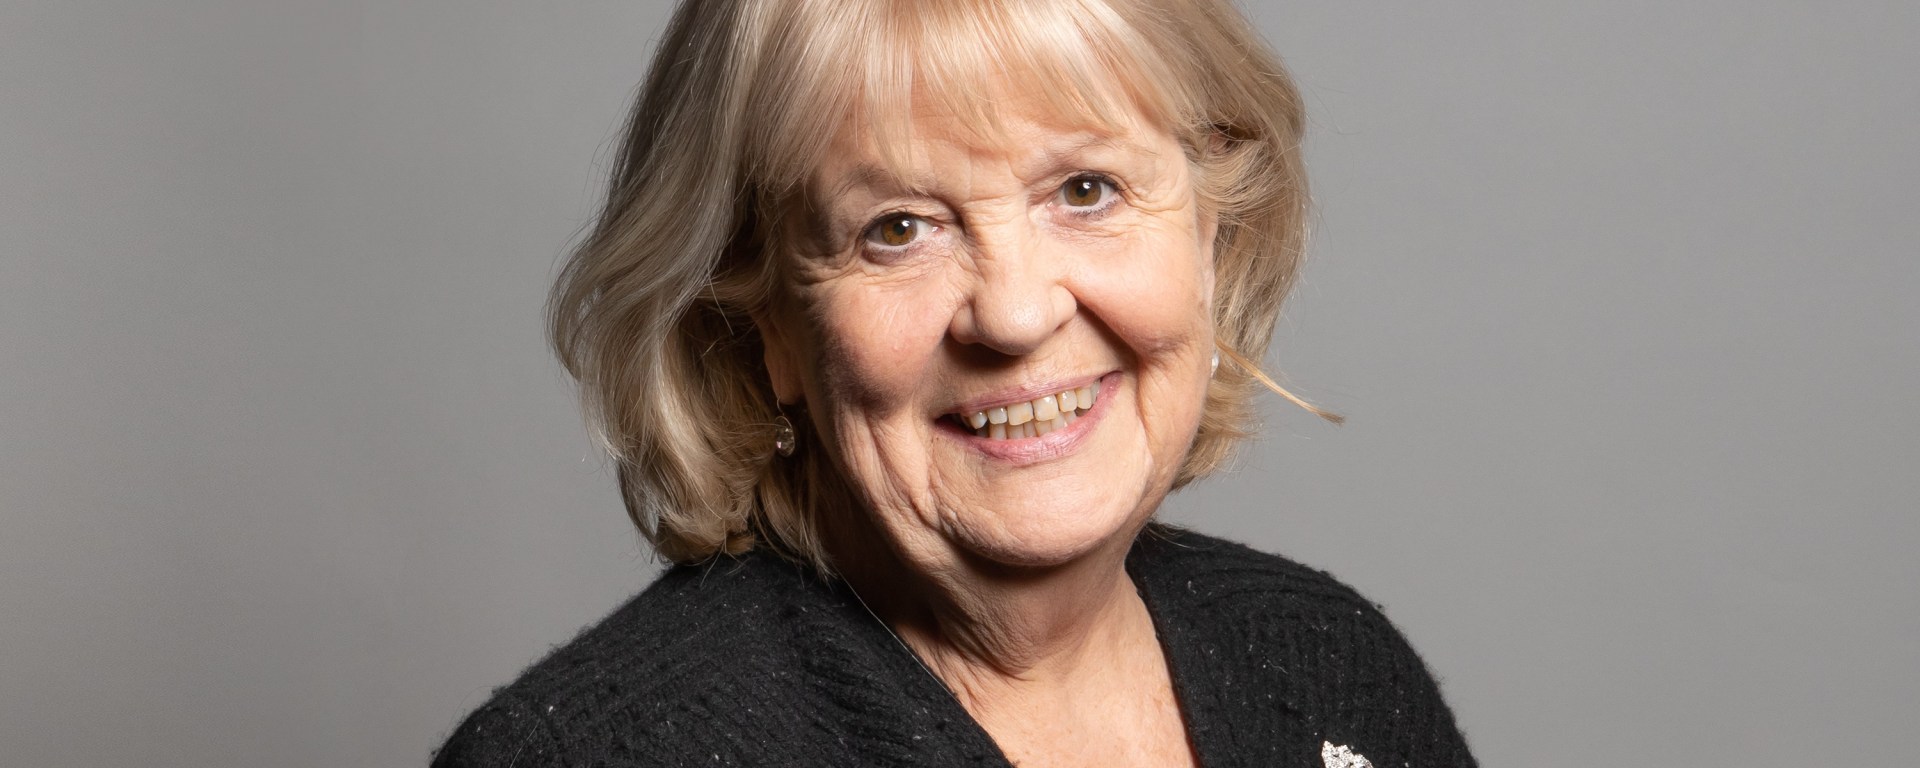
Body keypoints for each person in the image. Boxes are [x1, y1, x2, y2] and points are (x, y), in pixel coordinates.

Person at [434, 0, 1476, 765]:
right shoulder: (592, 756)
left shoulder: (1327, 662)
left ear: (1211, 232)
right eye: (897, 230)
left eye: (1085, 188)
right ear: (762, 331)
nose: (1016, 314)